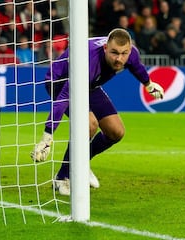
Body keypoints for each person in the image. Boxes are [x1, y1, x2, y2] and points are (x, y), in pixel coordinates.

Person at [30, 28, 164, 196]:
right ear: (105, 48)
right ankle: (62, 177)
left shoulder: (131, 53)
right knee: (89, 124)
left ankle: (81, 164)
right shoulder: (87, 61)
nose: (119, 58)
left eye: (124, 53)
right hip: (59, 82)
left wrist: (149, 85)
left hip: (90, 85)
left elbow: (136, 67)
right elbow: (64, 97)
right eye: (114, 53)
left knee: (116, 131)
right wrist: (47, 138)